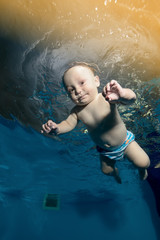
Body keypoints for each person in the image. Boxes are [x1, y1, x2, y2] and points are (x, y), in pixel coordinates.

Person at [41, 62, 150, 183]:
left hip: (125, 142)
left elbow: (131, 99)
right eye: (71, 90)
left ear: (96, 81)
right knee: (106, 171)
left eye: (82, 83)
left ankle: (142, 171)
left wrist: (122, 95)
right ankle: (115, 174)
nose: (78, 91)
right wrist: (57, 128)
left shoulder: (106, 98)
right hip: (105, 151)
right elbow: (68, 124)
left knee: (143, 162)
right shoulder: (77, 111)